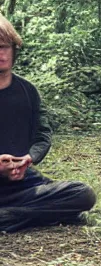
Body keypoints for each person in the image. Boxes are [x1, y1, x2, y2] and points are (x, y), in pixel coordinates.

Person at [0, 13, 96, 233]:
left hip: (22, 183)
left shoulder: (27, 91)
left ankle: (11, 217)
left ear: (14, 50)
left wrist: (28, 159)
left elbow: (42, 135)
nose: (0, 53)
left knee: (82, 193)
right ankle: (39, 215)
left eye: (4, 46)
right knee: (68, 208)